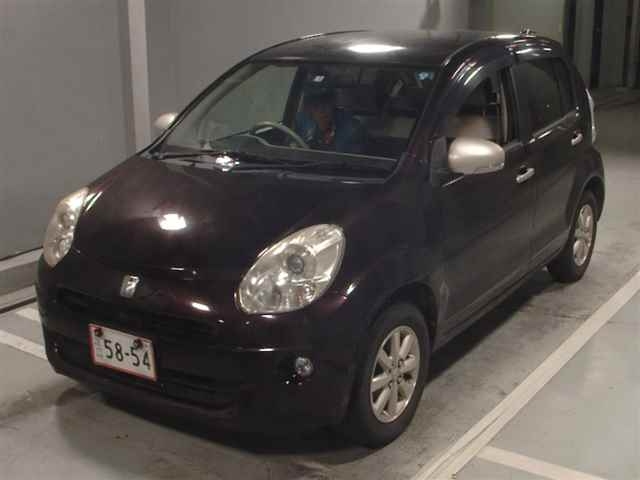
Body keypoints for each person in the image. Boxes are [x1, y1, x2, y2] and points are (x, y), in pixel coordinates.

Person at [294, 75, 365, 154]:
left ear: (333, 103)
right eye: (315, 105)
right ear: (308, 108)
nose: (321, 110)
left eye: (325, 103)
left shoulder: (353, 131)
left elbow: (351, 160)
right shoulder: (300, 122)